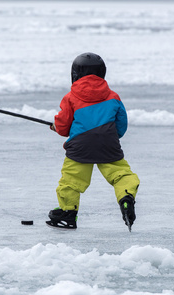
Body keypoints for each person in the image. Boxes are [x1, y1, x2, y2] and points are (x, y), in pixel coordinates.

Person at [47, 52, 140, 230]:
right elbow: (121, 124)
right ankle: (126, 197)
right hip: (108, 144)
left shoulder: (71, 97)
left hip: (80, 146)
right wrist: (111, 137)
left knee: (72, 179)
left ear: (74, 74)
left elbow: (64, 125)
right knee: (121, 174)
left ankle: (68, 213)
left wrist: (56, 127)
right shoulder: (113, 96)